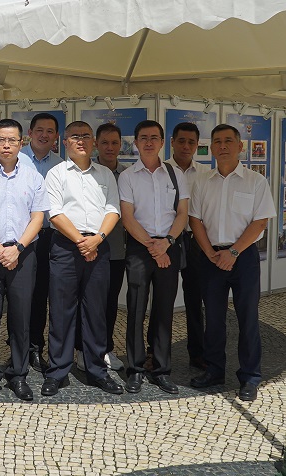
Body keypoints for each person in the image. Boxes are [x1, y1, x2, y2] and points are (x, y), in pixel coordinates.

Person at [189, 124, 276, 402]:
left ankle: (250, 376)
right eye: (217, 141)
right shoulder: (202, 181)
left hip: (243, 257)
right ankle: (214, 370)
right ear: (211, 148)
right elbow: (195, 220)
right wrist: (210, 252)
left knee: (247, 318)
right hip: (211, 257)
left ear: (240, 146)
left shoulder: (256, 181)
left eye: (228, 141)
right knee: (213, 319)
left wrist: (233, 252)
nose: (223, 146)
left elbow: (260, 222)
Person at [0, 119, 48, 402]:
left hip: (24, 255)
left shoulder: (33, 178)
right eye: (1, 140)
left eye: (12, 140)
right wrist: (1, 250)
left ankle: (18, 374)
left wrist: (18, 248)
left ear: (20, 143)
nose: (6, 145)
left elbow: (38, 217)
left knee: (21, 317)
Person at [42, 121, 123, 396]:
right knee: (62, 310)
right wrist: (81, 241)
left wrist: (97, 239)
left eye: (86, 136)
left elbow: (113, 209)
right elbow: (54, 212)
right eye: (75, 136)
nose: (80, 141)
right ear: (65, 142)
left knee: (96, 311)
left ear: (94, 142)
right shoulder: (56, 173)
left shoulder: (105, 174)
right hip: (66, 246)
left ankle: (97, 370)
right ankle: (57, 371)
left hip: (98, 245)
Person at [118, 119, 188, 395]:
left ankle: (161, 370)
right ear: (136, 142)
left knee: (164, 310)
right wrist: (153, 247)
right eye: (143, 137)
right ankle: (135, 369)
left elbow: (182, 214)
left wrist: (166, 243)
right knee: (136, 309)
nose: (149, 142)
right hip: (140, 247)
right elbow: (127, 218)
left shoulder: (175, 174)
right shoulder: (128, 176)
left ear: (162, 142)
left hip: (169, 245)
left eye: (154, 137)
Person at [19, 112, 62, 372]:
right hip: (20, 237)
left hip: (48, 237)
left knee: (40, 294)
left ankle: (35, 346)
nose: (44, 135)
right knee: (18, 294)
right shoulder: (16, 159)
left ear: (56, 136)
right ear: (30, 133)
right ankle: (17, 346)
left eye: (50, 131)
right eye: (40, 130)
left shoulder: (61, 164)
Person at [164, 122, 209, 372]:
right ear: (172, 142)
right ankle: (157, 353)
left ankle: (197, 353)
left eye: (191, 142)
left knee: (195, 299)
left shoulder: (205, 173)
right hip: (167, 241)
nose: (186, 146)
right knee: (163, 300)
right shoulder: (161, 169)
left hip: (195, 241)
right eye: (181, 141)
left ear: (197, 145)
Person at [92, 123, 126, 372]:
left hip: (116, 250)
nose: (110, 148)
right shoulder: (89, 172)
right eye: (105, 142)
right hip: (89, 247)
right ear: (96, 144)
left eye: (114, 143)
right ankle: (84, 348)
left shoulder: (127, 175)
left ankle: (106, 347)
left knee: (109, 302)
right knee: (89, 302)